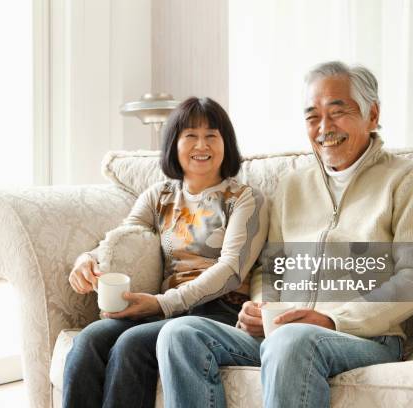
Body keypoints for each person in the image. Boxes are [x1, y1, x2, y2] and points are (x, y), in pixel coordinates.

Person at [156, 61, 413, 408]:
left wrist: (333, 319)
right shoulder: (292, 185)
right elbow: (270, 267)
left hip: (366, 336)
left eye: (337, 113)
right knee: (179, 334)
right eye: (312, 116)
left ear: (372, 114)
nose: (324, 127)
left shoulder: (406, 180)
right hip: (284, 332)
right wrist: (263, 309)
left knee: (292, 340)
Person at [62, 97, 268, 408]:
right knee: (89, 340)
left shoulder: (244, 198)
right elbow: (125, 236)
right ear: (174, 143)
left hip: (217, 312)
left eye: (212, 135)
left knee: (132, 344)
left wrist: (160, 304)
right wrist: (87, 259)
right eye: (191, 135)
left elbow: (231, 270)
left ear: (226, 143)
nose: (202, 144)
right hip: (162, 309)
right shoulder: (159, 195)